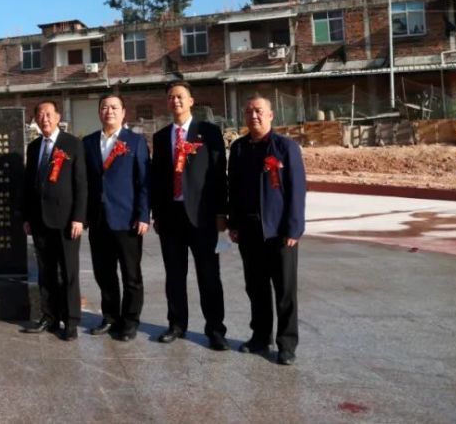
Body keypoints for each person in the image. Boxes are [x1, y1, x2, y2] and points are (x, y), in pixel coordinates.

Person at [150, 81, 229, 351]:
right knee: (174, 275)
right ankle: (176, 324)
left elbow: (219, 174)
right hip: (171, 217)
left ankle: (215, 329)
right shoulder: (161, 137)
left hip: (203, 217)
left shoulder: (207, 132)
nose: (176, 101)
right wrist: (156, 214)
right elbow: (157, 178)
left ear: (191, 101)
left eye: (180, 96)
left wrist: (221, 211)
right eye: (171, 97)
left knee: (208, 275)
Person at [228, 95, 306, 366]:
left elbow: (297, 190)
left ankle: (287, 343)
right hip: (249, 232)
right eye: (248, 112)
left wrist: (295, 228)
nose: (254, 116)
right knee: (256, 288)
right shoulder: (238, 149)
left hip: (280, 232)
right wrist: (234, 222)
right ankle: (260, 336)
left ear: (271, 115)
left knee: (285, 290)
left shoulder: (286, 147)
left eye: (259, 111)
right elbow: (233, 189)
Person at [83, 94, 150, 342]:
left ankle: (130, 321)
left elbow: (144, 181)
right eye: (104, 107)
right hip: (99, 220)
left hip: (127, 220)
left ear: (124, 112)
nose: (108, 111)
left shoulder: (135, 141)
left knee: (131, 275)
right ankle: (110, 316)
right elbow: (85, 183)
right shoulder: (89, 143)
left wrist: (143, 215)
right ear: (99, 112)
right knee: (104, 273)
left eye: (114, 107)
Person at [21, 100, 87, 340]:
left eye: (48, 114)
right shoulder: (34, 146)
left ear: (58, 116)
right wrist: (27, 216)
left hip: (66, 220)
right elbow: (29, 185)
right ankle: (49, 316)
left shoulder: (72, 144)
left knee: (68, 272)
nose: (44, 118)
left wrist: (79, 217)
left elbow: (81, 184)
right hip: (39, 221)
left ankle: (70, 321)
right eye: (39, 115)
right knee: (45, 271)